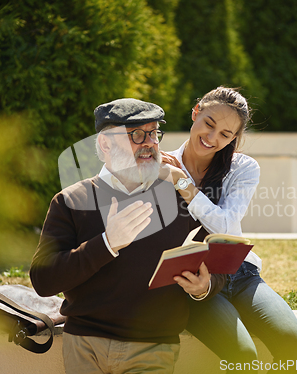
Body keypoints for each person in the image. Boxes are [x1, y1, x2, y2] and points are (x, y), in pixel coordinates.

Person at [30, 98, 225, 374]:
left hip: (153, 347)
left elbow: (219, 263)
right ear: (105, 144)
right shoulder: (71, 201)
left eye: (154, 133)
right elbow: (43, 280)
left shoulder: (182, 200)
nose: (149, 143)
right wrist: (107, 244)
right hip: (85, 345)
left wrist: (205, 286)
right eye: (136, 135)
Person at [161, 87, 297, 373]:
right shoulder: (161, 163)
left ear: (234, 138)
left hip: (240, 274)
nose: (212, 138)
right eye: (209, 124)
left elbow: (228, 225)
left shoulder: (242, 168)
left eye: (226, 135)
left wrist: (183, 183)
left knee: (293, 344)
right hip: (193, 281)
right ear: (196, 112)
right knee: (243, 356)